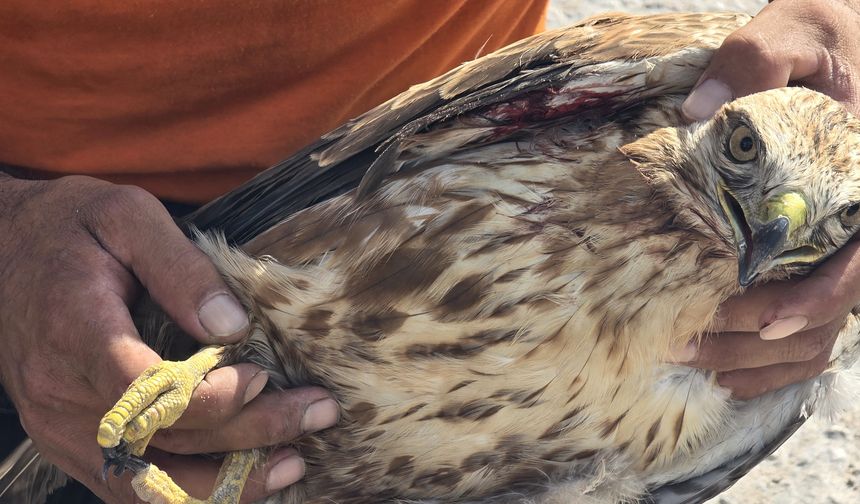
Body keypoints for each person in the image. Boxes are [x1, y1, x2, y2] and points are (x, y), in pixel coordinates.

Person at [0, 0, 857, 502]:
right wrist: (10, 234)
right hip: (63, 234)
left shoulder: (770, 264)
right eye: (743, 154)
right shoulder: (661, 88)